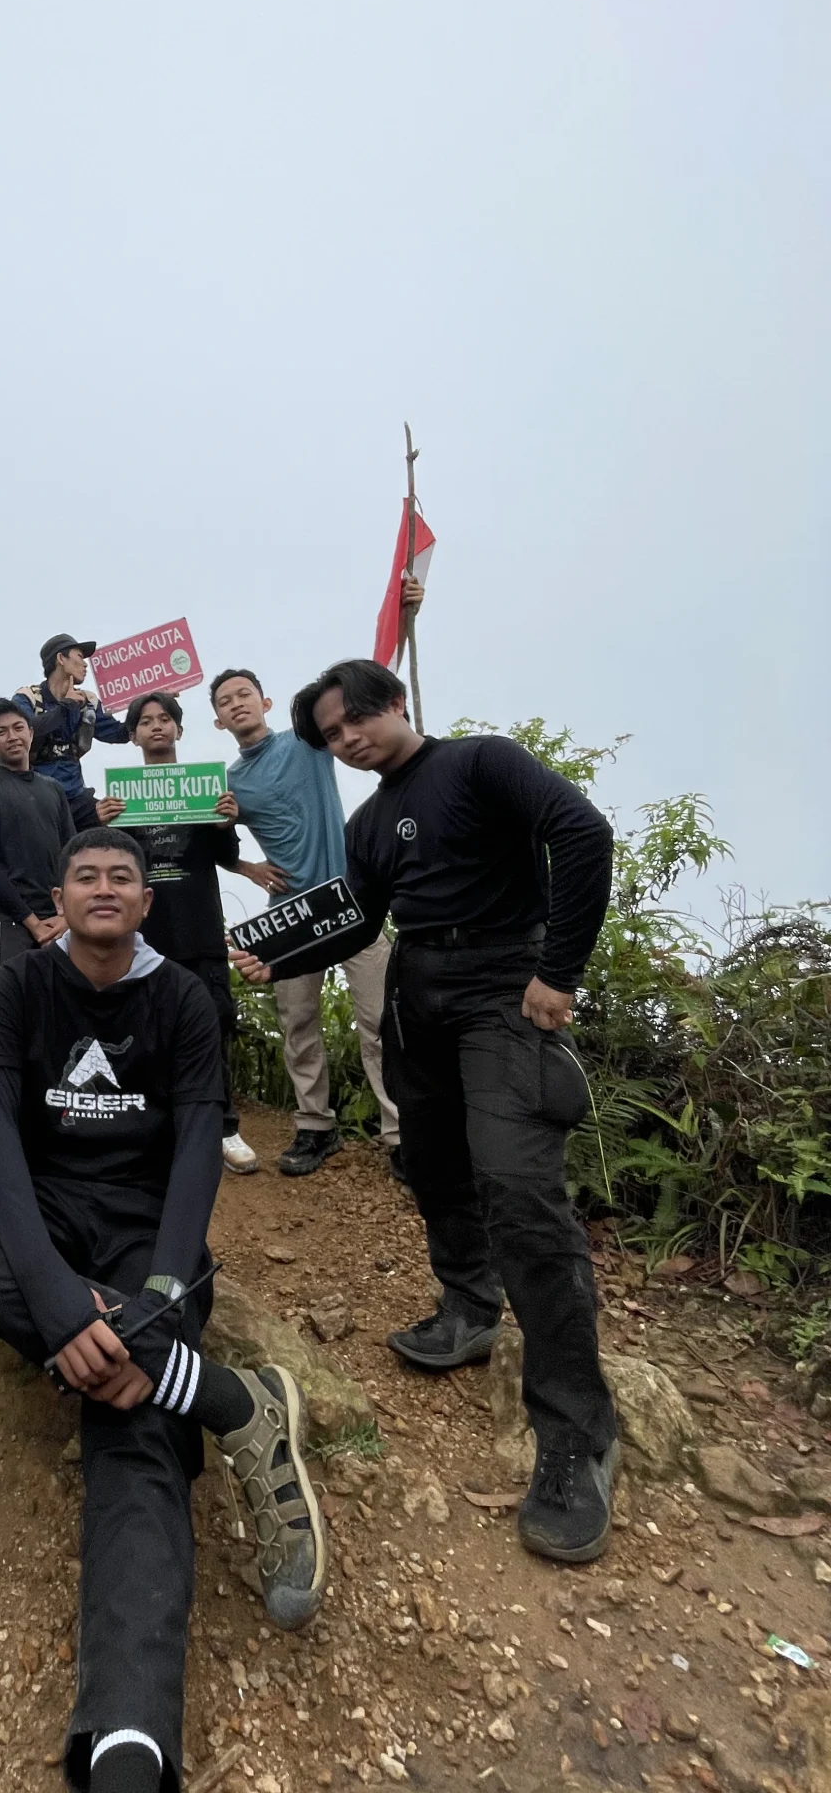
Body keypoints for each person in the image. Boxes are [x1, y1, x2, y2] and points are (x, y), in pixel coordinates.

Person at [0, 828, 326, 1793]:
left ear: (147, 903)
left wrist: (150, 1300)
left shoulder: (184, 1000)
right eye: (85, 876)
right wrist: (65, 1309)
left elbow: (198, 1153)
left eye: (123, 878)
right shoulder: (22, 987)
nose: (105, 889)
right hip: (49, 1219)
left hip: (152, 1236)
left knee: (135, 1424)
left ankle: (127, 1744)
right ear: (57, 898)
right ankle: (231, 1400)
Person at [234, 657, 619, 1564]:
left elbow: (584, 834)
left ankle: (575, 1435)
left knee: (519, 1188)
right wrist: (275, 947)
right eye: (331, 734)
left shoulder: (482, 763)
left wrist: (557, 971)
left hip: (503, 988)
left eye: (356, 719)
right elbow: (362, 922)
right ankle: (468, 1303)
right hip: (421, 991)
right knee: (432, 1161)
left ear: (394, 702)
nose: (349, 738)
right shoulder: (370, 823)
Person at [211, 658, 405, 1180]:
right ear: (218, 721)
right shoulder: (226, 784)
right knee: (298, 1026)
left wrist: (405, 607)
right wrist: (246, 866)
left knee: (381, 1023)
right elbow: (206, 841)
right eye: (225, 701)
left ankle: (401, 1135)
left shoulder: (308, 742)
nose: (237, 703)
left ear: (265, 702)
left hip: (350, 901)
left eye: (244, 693)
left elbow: (362, 694)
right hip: (288, 916)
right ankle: (315, 1126)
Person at [98, 690, 259, 1176]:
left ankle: (224, 1126)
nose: (156, 727)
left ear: (179, 730)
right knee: (143, 1031)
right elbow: (109, 864)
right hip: (143, 937)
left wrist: (227, 818)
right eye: (145, 721)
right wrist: (100, 821)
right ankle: (155, 1126)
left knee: (212, 1023)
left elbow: (223, 853)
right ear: (132, 736)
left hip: (201, 930)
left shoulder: (204, 787)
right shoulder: (120, 798)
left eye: (164, 719)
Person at [0, 699, 75, 978]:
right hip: (9, 920)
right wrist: (33, 923)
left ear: (30, 733)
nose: (12, 737)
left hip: (59, 920)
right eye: (0, 732)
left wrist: (66, 917)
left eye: (18, 728)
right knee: (14, 1007)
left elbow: (72, 858)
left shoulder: (53, 789)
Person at [15, 633, 133, 833]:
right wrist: (66, 705)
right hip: (35, 797)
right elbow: (26, 733)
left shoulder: (88, 701)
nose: (85, 664)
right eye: (79, 656)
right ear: (61, 659)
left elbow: (119, 733)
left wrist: (151, 701)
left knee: (119, 819)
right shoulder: (28, 697)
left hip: (76, 796)